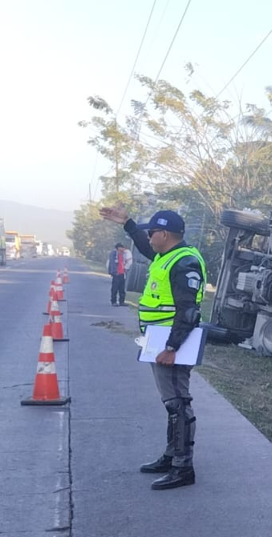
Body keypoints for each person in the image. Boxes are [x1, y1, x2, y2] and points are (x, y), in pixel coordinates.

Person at [99, 206, 208, 490]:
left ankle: (183, 467)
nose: (148, 236)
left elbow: (188, 309)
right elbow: (147, 251)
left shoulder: (184, 262)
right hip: (159, 339)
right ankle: (172, 456)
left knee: (178, 403)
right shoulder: (166, 256)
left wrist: (172, 346)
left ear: (165, 234)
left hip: (172, 342)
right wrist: (129, 225)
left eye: (151, 232)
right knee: (172, 403)